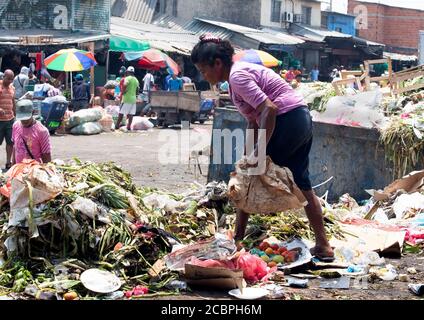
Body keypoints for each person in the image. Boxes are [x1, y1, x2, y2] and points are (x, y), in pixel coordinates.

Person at [191, 34, 334, 261]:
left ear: (217, 63)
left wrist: (259, 151)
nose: (203, 75)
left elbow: (270, 109)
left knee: (248, 179)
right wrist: (250, 154)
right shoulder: (235, 80)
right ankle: (324, 246)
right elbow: (253, 120)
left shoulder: (237, 76)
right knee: (300, 182)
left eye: (203, 69)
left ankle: (237, 239)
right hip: (300, 118)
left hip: (288, 119)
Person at [0, 70, 16, 170]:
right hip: (0, 121)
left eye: (11, 79)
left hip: (10, 120)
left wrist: (16, 116)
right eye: (8, 78)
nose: (10, 80)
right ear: (4, 77)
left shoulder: (12, 87)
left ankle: (8, 162)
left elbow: (13, 102)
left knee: (10, 143)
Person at [116, 66, 139, 130]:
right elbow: (137, 89)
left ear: (127, 72)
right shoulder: (136, 80)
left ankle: (117, 125)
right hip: (133, 99)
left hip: (126, 98)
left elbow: (125, 85)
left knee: (121, 113)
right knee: (131, 114)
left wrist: (123, 92)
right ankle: (129, 126)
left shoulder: (127, 78)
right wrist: (136, 96)